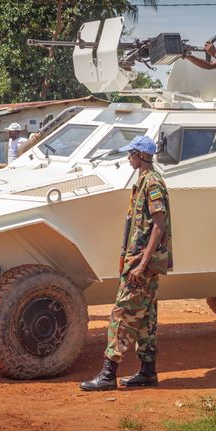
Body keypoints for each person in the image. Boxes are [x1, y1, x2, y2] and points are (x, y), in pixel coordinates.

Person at [80, 136, 173, 391]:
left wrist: (142, 264)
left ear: (140, 155)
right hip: (140, 261)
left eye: (130, 154)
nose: (128, 158)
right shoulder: (143, 180)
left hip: (141, 264)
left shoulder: (151, 182)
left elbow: (159, 224)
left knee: (121, 315)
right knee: (145, 319)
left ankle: (108, 374)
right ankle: (147, 372)